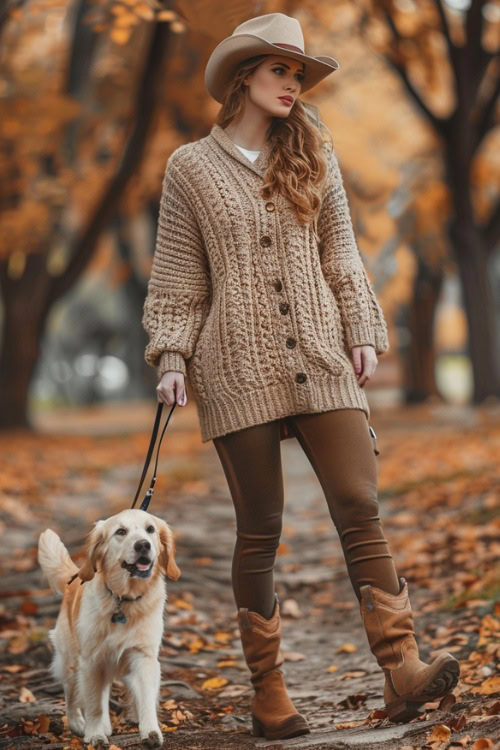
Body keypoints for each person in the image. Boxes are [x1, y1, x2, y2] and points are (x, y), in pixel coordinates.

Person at [142, 12, 460, 741]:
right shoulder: (190, 167)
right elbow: (178, 281)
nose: (292, 84)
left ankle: (401, 666)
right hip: (236, 365)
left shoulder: (316, 153)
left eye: (298, 74)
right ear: (244, 77)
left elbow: (343, 255)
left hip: (321, 354)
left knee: (358, 501)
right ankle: (270, 691)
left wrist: (363, 332)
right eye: (280, 70)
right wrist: (171, 358)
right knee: (261, 530)